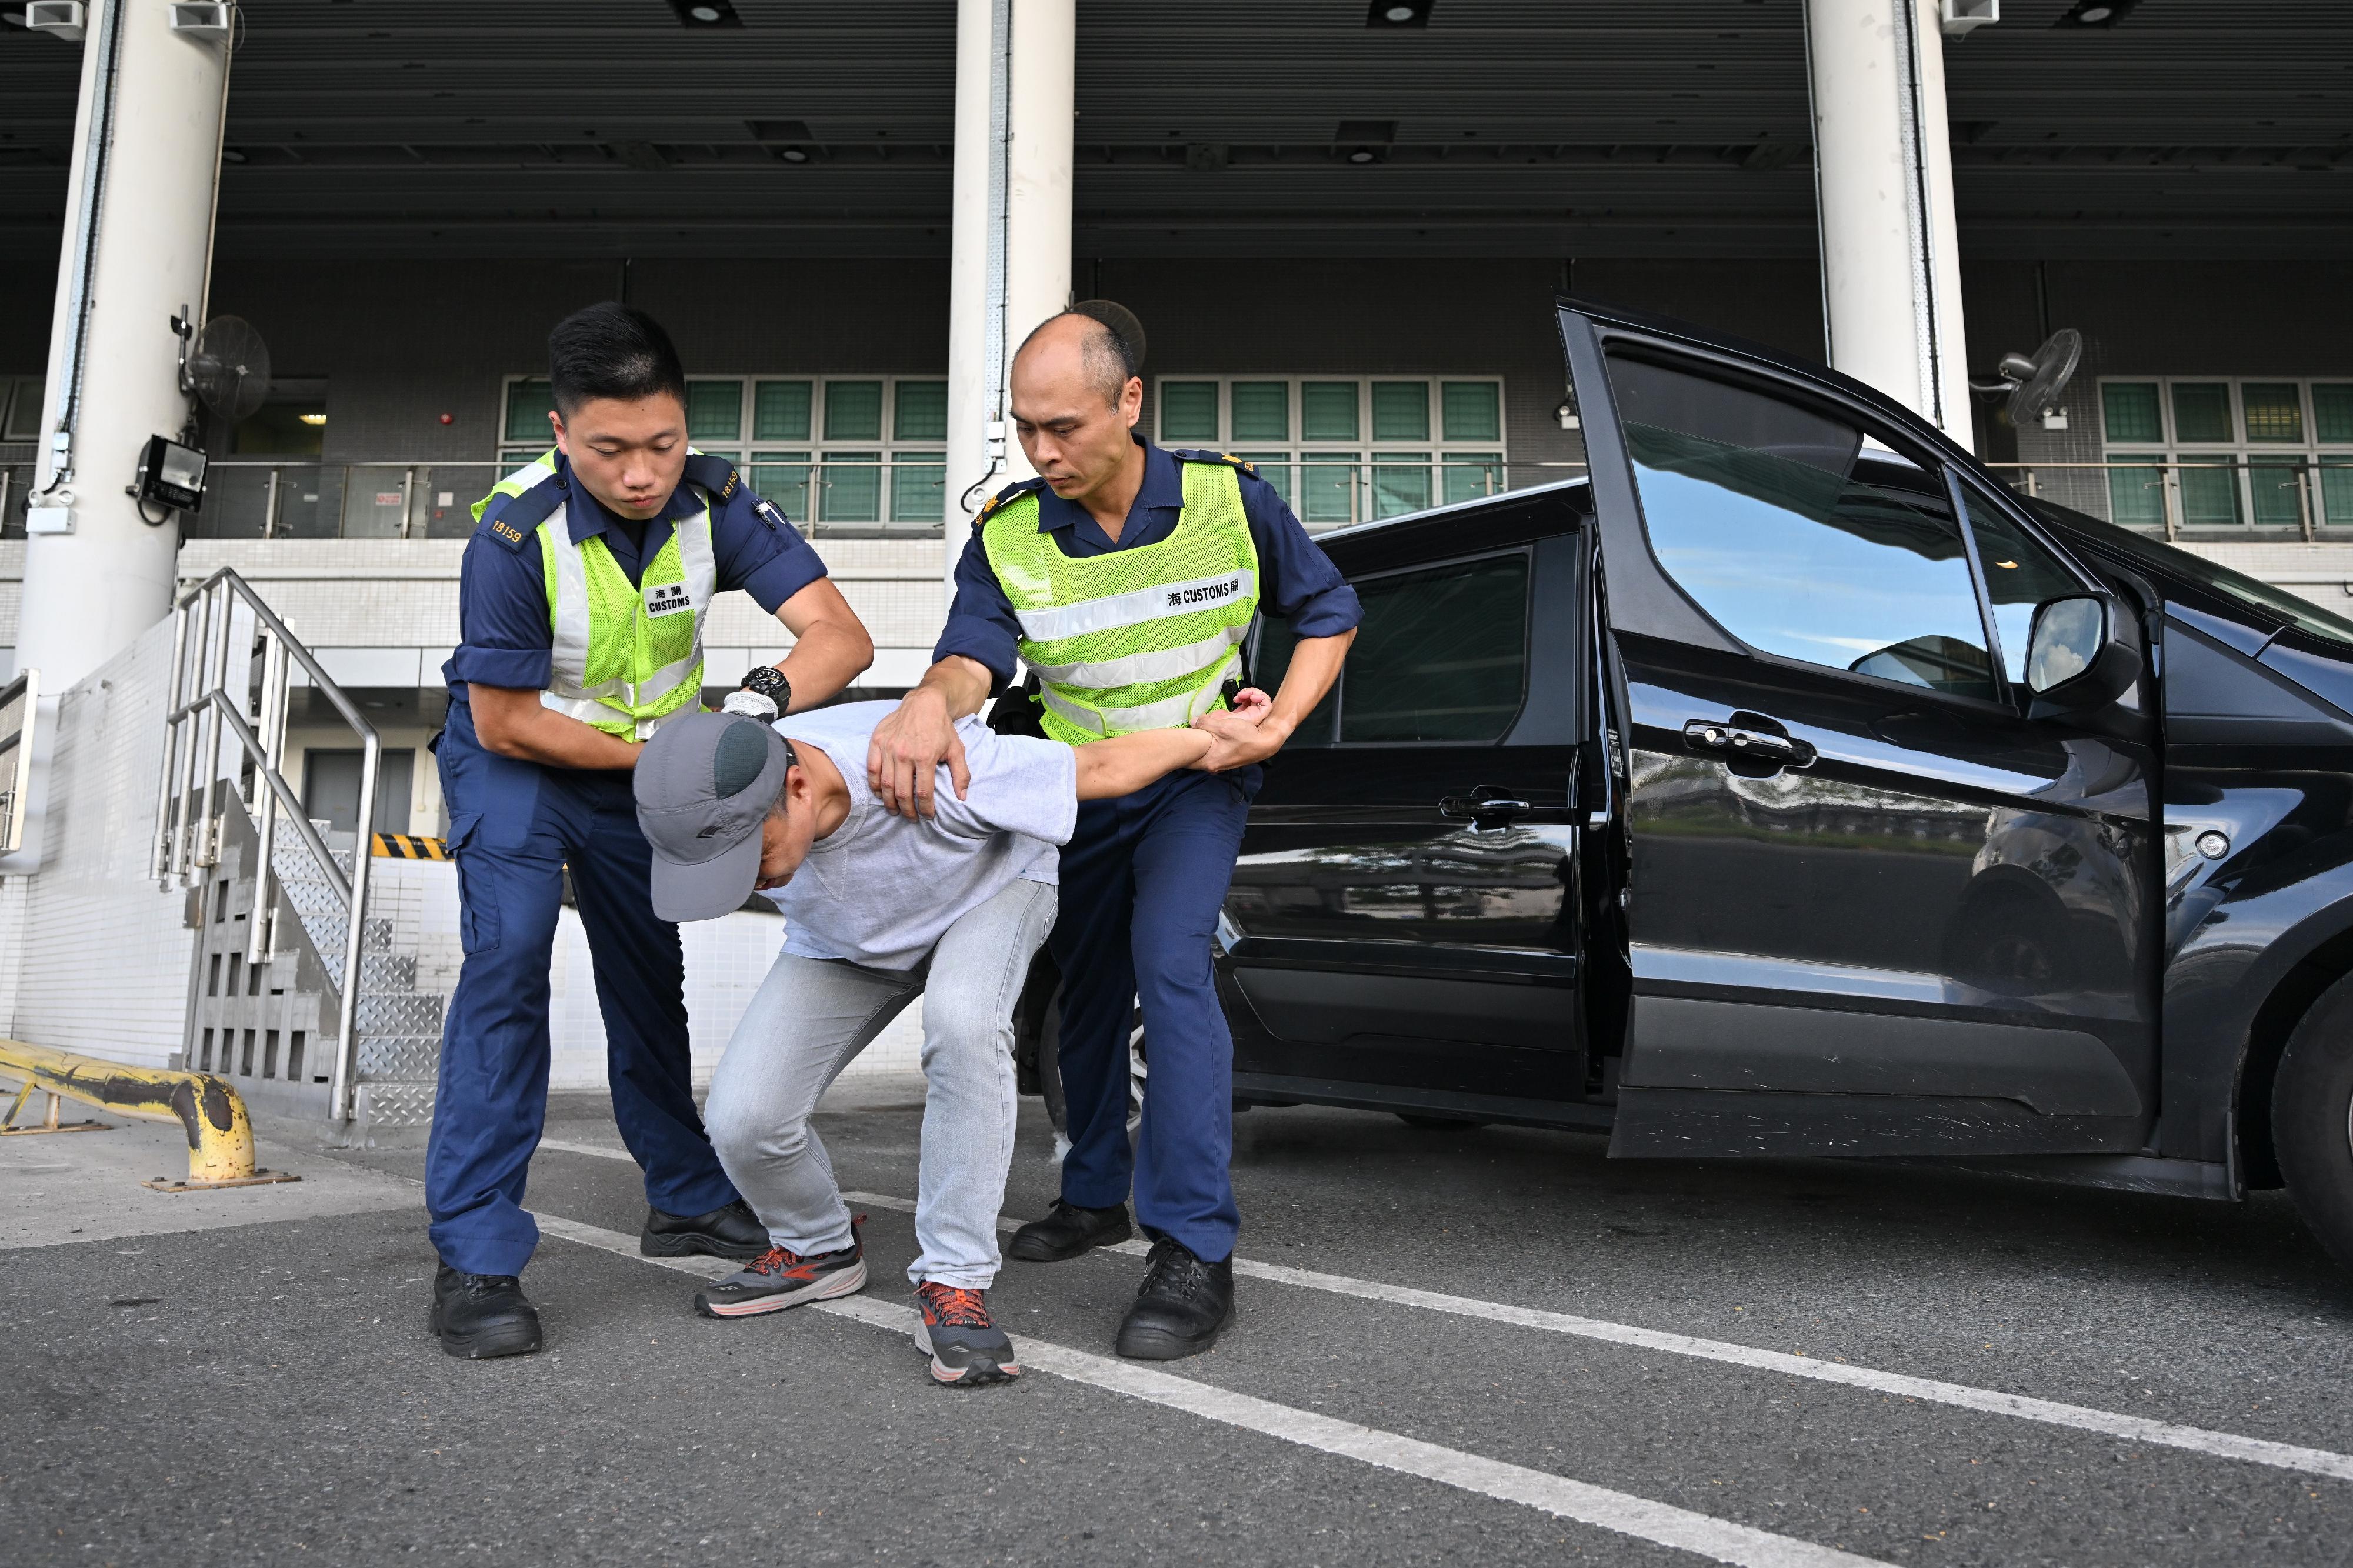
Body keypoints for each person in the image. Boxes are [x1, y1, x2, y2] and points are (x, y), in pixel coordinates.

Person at [865, 309, 1359, 1360]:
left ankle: (1193, 1249)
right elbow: (973, 656)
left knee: (1168, 966)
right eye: (1024, 430)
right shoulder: (1009, 530)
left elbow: (1328, 613)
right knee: (1080, 989)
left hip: (1194, 777)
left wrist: (1274, 722)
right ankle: (1093, 1193)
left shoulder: (1232, 502)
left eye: (1063, 427)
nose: (1043, 453)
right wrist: (925, 702)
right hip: (1070, 783)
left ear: (1130, 403)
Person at [426, 302, 874, 1360]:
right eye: (611, 451)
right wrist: (669, 765)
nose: (641, 474)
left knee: (647, 967)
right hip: (519, 764)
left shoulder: (716, 500)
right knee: (510, 963)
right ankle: (478, 1253)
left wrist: (752, 708)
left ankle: (680, 1194)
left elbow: (840, 637)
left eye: (662, 445)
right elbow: (505, 716)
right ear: (560, 432)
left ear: (686, 426)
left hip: (640, 769)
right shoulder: (509, 532)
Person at [632, 699, 1251, 1385]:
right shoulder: (735, 807)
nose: (750, 880)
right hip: (848, 941)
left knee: (960, 1024)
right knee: (742, 1116)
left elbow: (1096, 765)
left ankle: (954, 1279)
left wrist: (1204, 740)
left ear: (797, 785)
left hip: (987, 898)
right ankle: (818, 1246)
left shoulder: (921, 757)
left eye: (754, 857)